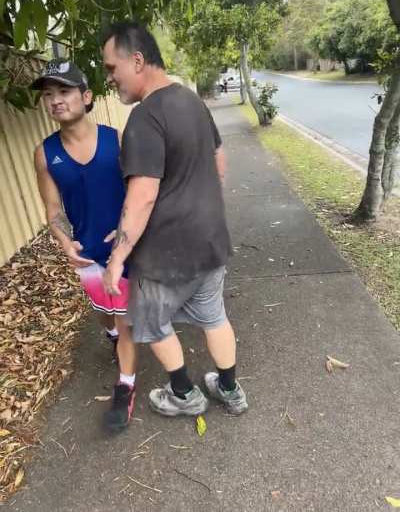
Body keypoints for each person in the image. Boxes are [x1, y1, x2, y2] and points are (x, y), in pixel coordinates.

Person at [101, 22, 248, 417]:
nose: (110, 78)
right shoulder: (191, 100)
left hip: (165, 254)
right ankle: (230, 390)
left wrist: (117, 257)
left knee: (151, 321)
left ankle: (183, 394)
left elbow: (144, 194)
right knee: (213, 315)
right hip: (210, 240)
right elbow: (217, 160)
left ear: (137, 60)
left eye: (112, 68)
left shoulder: (145, 118)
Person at [32, 59, 137, 429]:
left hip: (125, 250)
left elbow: (138, 192)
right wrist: (64, 241)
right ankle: (111, 334)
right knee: (104, 310)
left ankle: (126, 386)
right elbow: (52, 207)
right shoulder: (45, 154)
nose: (56, 101)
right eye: (49, 95)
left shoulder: (117, 139)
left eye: (64, 91)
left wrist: (126, 231)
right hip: (86, 252)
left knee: (126, 319)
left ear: (86, 96)